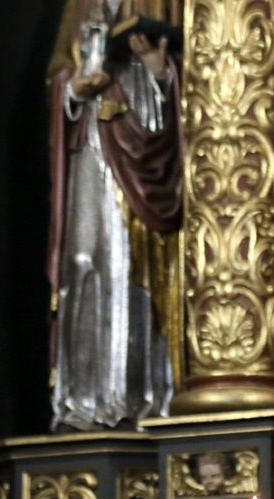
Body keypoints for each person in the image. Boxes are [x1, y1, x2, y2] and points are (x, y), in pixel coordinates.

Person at [46, 0, 182, 431]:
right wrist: (73, 88)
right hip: (90, 143)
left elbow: (191, 71)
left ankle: (134, 399)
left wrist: (159, 69)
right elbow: (57, 74)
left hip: (142, 143)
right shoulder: (80, 5)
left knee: (126, 263)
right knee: (83, 259)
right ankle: (82, 400)